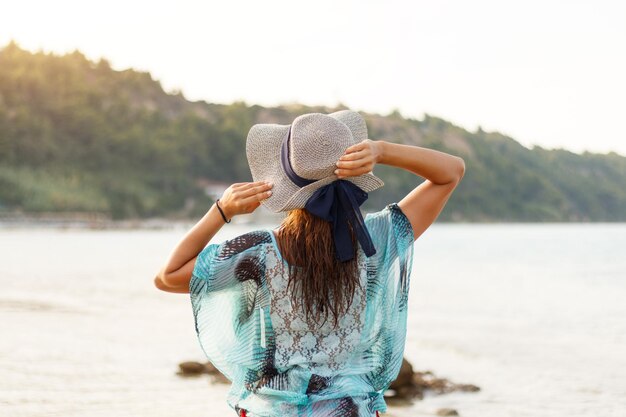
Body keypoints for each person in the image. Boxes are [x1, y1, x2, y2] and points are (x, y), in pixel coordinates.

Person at [154, 110, 465, 417]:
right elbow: (451, 171)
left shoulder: (259, 253)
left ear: (285, 182)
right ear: (354, 169)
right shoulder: (375, 241)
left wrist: (221, 211)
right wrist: (381, 150)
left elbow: (167, 277)